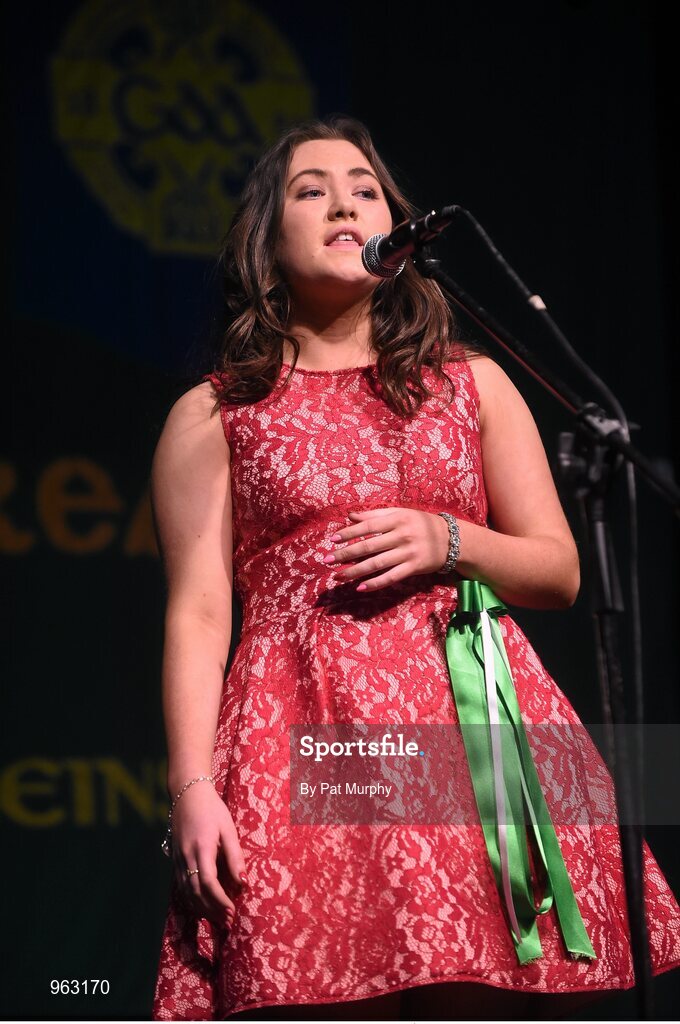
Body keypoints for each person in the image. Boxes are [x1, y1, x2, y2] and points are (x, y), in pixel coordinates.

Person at [151, 115, 680, 1022]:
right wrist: (193, 787)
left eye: (365, 188)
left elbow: (557, 570)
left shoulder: (471, 380)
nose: (346, 203)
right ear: (266, 238)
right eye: (311, 190)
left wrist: (450, 541)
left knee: (473, 992)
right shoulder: (215, 413)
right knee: (332, 991)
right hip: (305, 723)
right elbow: (199, 612)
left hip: (471, 730)